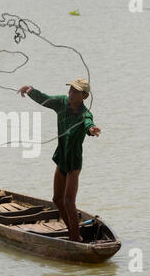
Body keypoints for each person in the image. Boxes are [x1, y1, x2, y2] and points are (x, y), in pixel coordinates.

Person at [17, 79, 101, 242]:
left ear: (84, 96)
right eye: (70, 89)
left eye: (75, 91)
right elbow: (45, 99)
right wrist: (30, 90)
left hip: (73, 162)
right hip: (61, 157)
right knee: (57, 200)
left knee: (69, 202)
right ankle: (73, 233)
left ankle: (76, 239)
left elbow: (88, 125)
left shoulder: (85, 114)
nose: (70, 93)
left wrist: (92, 129)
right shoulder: (61, 103)